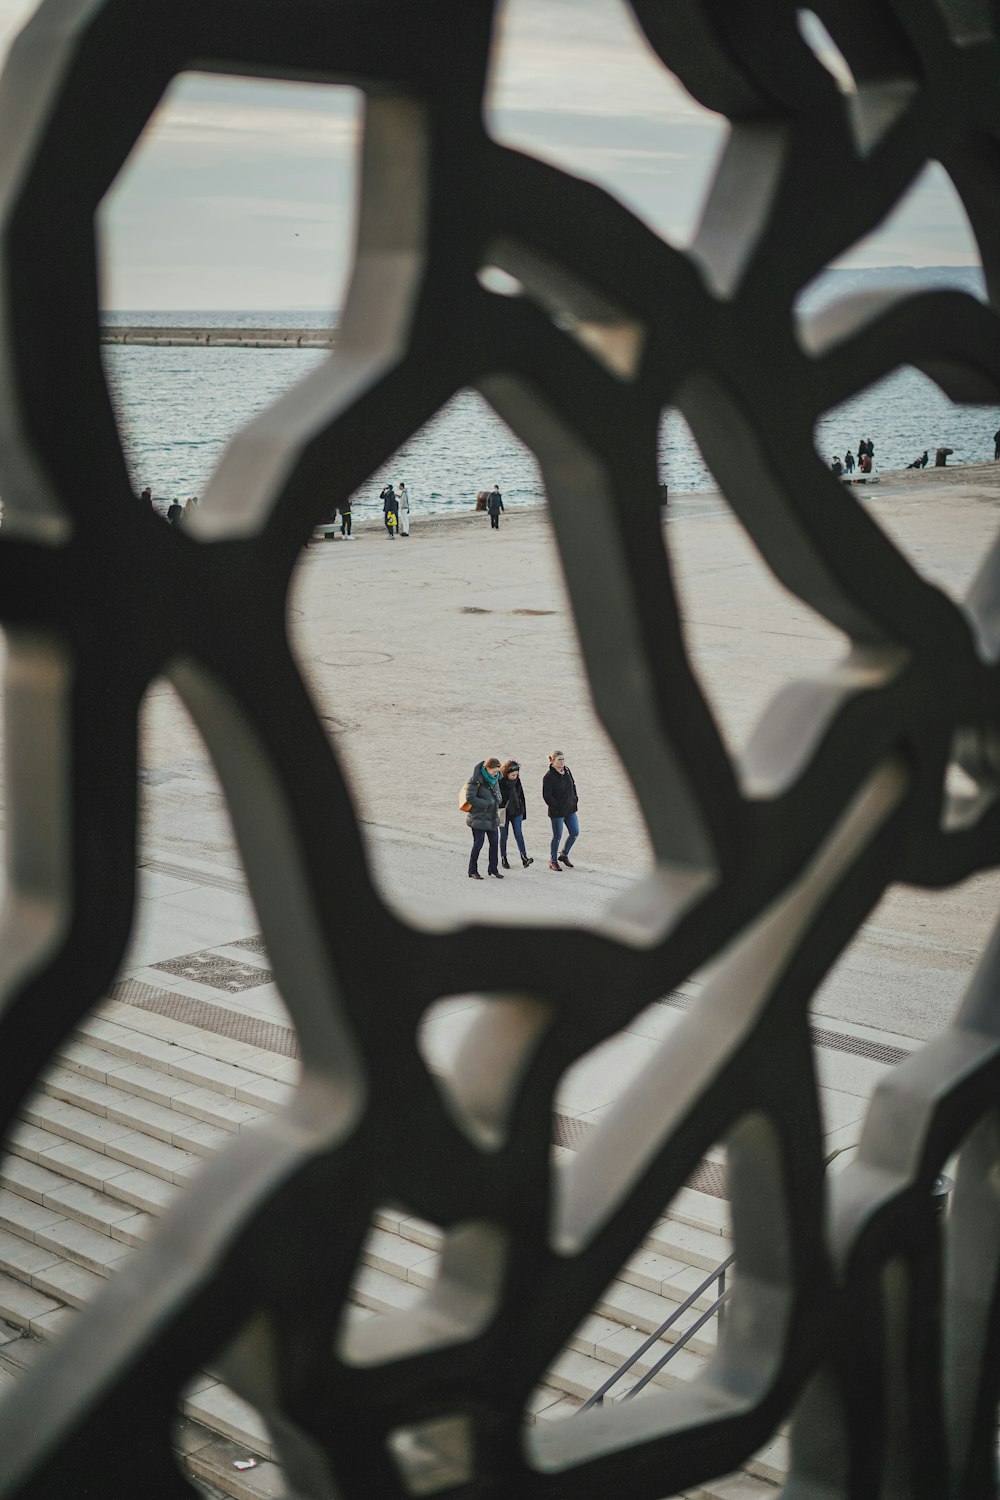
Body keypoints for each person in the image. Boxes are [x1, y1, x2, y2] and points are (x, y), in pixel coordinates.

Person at [465, 757, 503, 879]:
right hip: (478, 817)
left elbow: (498, 794)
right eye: (494, 771)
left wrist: (498, 800)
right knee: (478, 843)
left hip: (492, 817)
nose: (496, 773)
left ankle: (493, 868)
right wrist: (486, 803)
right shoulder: (476, 780)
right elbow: (470, 797)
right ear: (487, 768)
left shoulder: (496, 779)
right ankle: (472, 870)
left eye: (497, 771)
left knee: (494, 843)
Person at [542, 750, 579, 871]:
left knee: (574, 832)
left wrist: (575, 799)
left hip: (570, 809)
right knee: (557, 835)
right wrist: (556, 807)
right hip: (557, 812)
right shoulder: (548, 777)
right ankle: (552, 860)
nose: (562, 762)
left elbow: (573, 785)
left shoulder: (567, 771)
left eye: (563, 759)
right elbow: (547, 796)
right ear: (552, 761)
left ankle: (564, 854)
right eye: (559, 759)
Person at [498, 760, 533, 869]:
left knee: (519, 834)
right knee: (504, 836)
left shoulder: (517, 781)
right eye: (513, 775)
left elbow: (521, 797)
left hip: (517, 812)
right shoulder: (500, 782)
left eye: (517, 775)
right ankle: (504, 857)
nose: (515, 777)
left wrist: (523, 813)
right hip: (504, 813)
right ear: (507, 773)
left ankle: (524, 857)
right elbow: (497, 799)